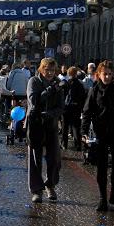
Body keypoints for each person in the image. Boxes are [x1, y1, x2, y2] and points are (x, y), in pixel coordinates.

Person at [82, 61, 114, 211]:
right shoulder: (94, 90)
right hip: (100, 132)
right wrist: (84, 132)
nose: (108, 77)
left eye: (110, 74)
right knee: (101, 167)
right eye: (105, 74)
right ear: (99, 74)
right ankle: (103, 198)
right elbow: (87, 112)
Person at [25, 57, 65, 203]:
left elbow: (61, 107)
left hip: (51, 124)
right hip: (35, 124)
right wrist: (49, 90)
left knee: (54, 158)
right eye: (47, 70)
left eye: (52, 70)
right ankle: (37, 190)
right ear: (41, 69)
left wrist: (51, 114)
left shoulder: (58, 84)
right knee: (35, 159)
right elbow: (34, 101)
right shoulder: (34, 81)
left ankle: (50, 185)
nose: (50, 73)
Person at [61, 66, 87, 151]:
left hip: (66, 108)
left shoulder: (66, 83)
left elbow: (62, 95)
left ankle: (64, 144)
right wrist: (80, 108)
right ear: (76, 74)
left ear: (68, 73)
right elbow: (82, 97)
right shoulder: (80, 84)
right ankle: (78, 145)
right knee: (76, 127)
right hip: (75, 108)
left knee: (65, 128)